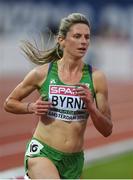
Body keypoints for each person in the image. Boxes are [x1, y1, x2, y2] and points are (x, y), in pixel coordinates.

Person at [4, 13, 113, 179]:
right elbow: (9, 103)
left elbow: (107, 130)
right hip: (42, 152)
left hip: (74, 160)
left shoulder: (96, 78)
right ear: (61, 40)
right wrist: (31, 107)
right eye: (77, 36)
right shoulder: (41, 73)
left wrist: (91, 107)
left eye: (87, 37)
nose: (83, 41)